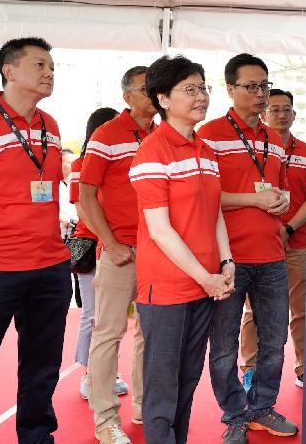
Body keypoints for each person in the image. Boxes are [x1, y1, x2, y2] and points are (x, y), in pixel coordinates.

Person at [0, 37, 72, 443]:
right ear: (9, 70)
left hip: (49, 267)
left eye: (51, 67)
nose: (49, 73)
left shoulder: (51, 125)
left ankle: (36, 436)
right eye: (40, 65)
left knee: (42, 366)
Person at [130, 54, 234, 444]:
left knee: (188, 380)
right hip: (169, 288)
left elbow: (215, 214)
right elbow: (160, 230)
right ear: (162, 98)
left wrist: (226, 261)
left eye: (202, 87)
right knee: (162, 388)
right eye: (189, 90)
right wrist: (206, 278)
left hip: (205, 283)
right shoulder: (152, 152)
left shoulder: (206, 150)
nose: (201, 96)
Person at [199, 53, 297, 444]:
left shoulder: (274, 140)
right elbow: (202, 196)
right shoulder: (209, 135)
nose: (260, 95)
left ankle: (262, 407)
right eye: (252, 87)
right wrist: (253, 200)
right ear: (230, 89)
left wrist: (282, 200)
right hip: (227, 258)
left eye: (265, 86)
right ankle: (234, 414)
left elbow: (280, 186)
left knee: (274, 339)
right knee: (223, 345)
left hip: (272, 255)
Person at [79, 66, 156, 443]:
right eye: (145, 89)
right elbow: (85, 196)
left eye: (156, 88)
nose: (153, 95)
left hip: (160, 254)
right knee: (108, 333)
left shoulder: (165, 134)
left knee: (150, 332)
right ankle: (105, 417)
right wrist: (110, 243)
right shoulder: (106, 135)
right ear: (127, 96)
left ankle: (144, 406)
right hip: (120, 252)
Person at [239, 88, 306, 389]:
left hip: (297, 244)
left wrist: (287, 230)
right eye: (274, 109)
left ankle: (304, 366)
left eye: (286, 109)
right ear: (264, 114)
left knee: (301, 309)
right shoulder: (253, 147)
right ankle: (249, 370)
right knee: (253, 311)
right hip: (258, 242)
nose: (281, 114)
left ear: (294, 114)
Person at [69, 107, 120, 400]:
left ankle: (108, 372)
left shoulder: (120, 163)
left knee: (112, 318)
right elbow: (82, 208)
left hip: (116, 247)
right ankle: (90, 374)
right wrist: (109, 239)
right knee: (93, 314)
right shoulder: (80, 165)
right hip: (93, 247)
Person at [59, 148, 78, 240]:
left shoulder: (79, 184)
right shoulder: (48, 185)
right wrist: (60, 218)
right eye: (70, 163)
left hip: (77, 234)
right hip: (59, 234)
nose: (75, 166)